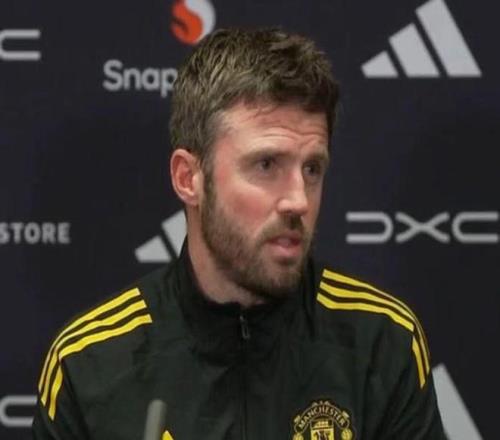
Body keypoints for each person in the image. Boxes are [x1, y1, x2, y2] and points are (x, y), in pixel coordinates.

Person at [33, 27, 445, 439]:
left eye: (312, 169)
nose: (298, 200)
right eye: (266, 165)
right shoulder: (90, 365)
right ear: (188, 178)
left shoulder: (382, 342)